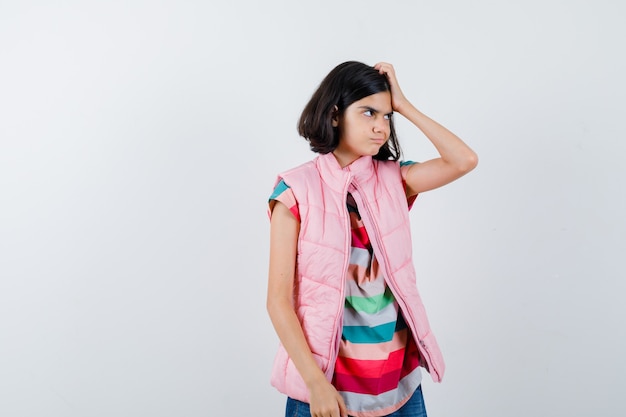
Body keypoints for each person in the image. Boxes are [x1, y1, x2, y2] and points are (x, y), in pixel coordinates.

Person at [266, 61, 477, 417]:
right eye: (368, 113)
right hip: (327, 390)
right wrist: (316, 384)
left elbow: (463, 160)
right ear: (335, 115)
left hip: (399, 385)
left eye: (386, 116)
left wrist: (404, 104)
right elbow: (278, 302)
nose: (381, 127)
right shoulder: (295, 191)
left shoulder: (395, 179)